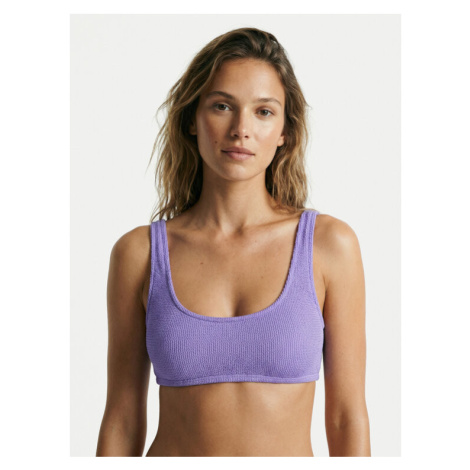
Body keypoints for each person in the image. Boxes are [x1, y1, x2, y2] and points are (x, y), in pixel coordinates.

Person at [96, 27, 371, 457]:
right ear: (192, 119)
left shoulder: (329, 246)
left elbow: (346, 417)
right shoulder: (140, 254)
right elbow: (122, 417)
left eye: (264, 112)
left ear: (284, 130)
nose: (241, 129)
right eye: (222, 106)